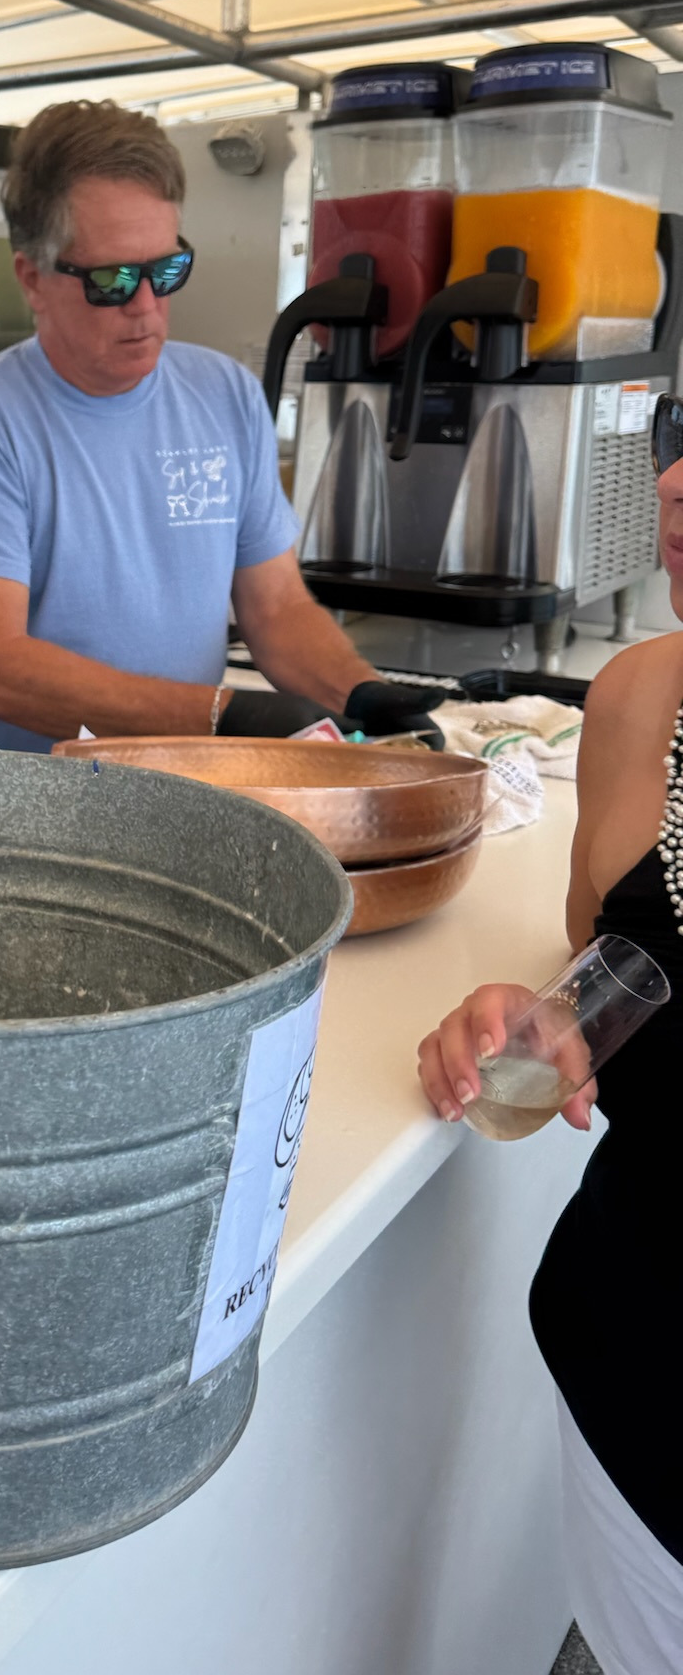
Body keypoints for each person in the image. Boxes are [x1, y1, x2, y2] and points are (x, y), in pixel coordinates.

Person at [0, 101, 442, 750]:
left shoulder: (225, 394)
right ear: (32, 280)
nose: (147, 308)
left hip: (173, 790)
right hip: (9, 811)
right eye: (113, 279)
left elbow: (276, 608)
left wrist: (357, 691)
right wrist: (221, 715)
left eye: (166, 271)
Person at [417, 394, 683, 1675]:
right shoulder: (646, 698)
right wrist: (551, 1018)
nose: (676, 490)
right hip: (652, 1343)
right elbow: (616, 974)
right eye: (679, 448)